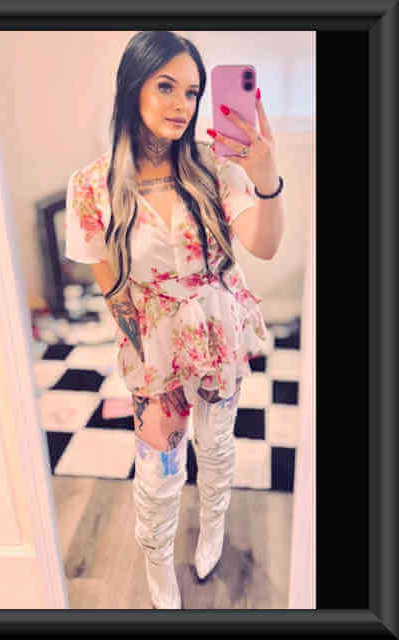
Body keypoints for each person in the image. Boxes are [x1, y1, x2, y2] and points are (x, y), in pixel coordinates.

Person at [65, 31, 285, 609]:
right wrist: (141, 359)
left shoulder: (214, 169)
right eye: (166, 86)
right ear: (132, 86)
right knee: (158, 468)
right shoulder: (91, 187)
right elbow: (112, 287)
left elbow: (264, 246)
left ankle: (213, 526)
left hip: (219, 331)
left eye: (192, 91)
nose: (182, 104)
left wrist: (266, 177)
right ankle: (157, 558)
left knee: (216, 446)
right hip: (153, 346)